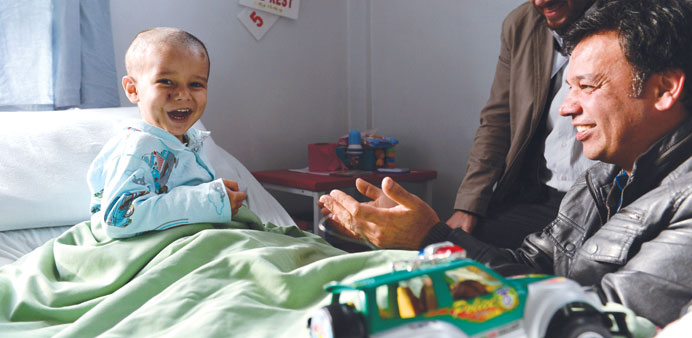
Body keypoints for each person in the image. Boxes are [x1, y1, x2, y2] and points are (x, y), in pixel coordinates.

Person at [318, 0, 692, 326]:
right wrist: (426, 236)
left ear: (663, 90)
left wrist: (430, 239)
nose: (565, 107)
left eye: (588, 87)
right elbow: (532, 262)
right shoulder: (604, 178)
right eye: (569, 87)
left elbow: (599, 315)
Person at [448, 0, 598, 249]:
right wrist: (468, 205)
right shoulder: (520, 25)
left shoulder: (639, 20)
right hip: (540, 196)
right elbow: (498, 120)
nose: (540, 2)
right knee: (455, 254)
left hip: (609, 203)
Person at [87, 27, 247, 239]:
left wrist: (221, 198)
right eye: (166, 81)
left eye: (196, 84)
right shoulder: (136, 147)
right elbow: (119, 218)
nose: (183, 94)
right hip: (144, 246)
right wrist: (209, 199)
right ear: (133, 90)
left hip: (188, 238)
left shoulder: (190, 142)